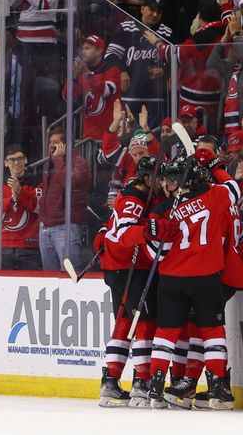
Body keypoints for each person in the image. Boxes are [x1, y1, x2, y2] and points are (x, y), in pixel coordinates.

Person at [144, 154, 240, 410]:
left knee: (165, 334)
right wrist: (213, 166)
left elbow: (156, 253)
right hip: (205, 278)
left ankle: (154, 387)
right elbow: (234, 188)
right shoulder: (216, 197)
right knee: (212, 332)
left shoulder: (166, 210)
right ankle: (218, 386)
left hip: (172, 279)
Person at [96, 156, 159, 408]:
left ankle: (110, 381)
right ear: (146, 178)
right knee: (142, 323)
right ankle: (141, 383)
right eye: (158, 177)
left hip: (118, 267)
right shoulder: (135, 198)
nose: (162, 182)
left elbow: (111, 228)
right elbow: (124, 232)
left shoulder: (133, 193)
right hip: (130, 268)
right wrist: (148, 230)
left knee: (124, 321)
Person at [105, 0, 172, 127]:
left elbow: (175, 60)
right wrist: (122, 71)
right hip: (130, 97)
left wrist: (164, 69)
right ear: (142, 9)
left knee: (152, 140)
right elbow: (110, 55)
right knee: (127, 140)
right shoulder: (125, 28)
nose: (155, 14)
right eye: (152, 10)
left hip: (155, 100)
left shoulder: (167, 33)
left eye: (159, 12)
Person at [10, 0, 60, 119]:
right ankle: (23, 120)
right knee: (25, 88)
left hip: (42, 43)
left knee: (43, 87)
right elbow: (11, 3)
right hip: (23, 41)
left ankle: (46, 122)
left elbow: (43, 5)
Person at [38, 127, 91, 272]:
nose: (51, 145)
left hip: (66, 227)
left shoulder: (78, 162)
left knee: (70, 276)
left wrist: (59, 160)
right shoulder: (51, 163)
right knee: (49, 278)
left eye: (55, 142)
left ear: (66, 145)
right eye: (50, 142)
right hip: (46, 228)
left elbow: (70, 182)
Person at [0, 144, 42, 271]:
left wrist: (20, 192)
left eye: (19, 158)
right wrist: (13, 198)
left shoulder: (37, 182)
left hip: (29, 245)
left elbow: (40, 208)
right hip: (4, 244)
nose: (16, 162)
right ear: (5, 163)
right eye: (12, 159)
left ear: (26, 160)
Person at [66, 35, 122, 140]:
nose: (83, 52)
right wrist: (74, 76)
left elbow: (106, 91)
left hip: (110, 135)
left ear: (99, 51)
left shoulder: (112, 70)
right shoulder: (80, 72)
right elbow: (67, 97)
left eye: (87, 48)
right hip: (88, 138)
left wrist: (87, 73)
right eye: (82, 48)